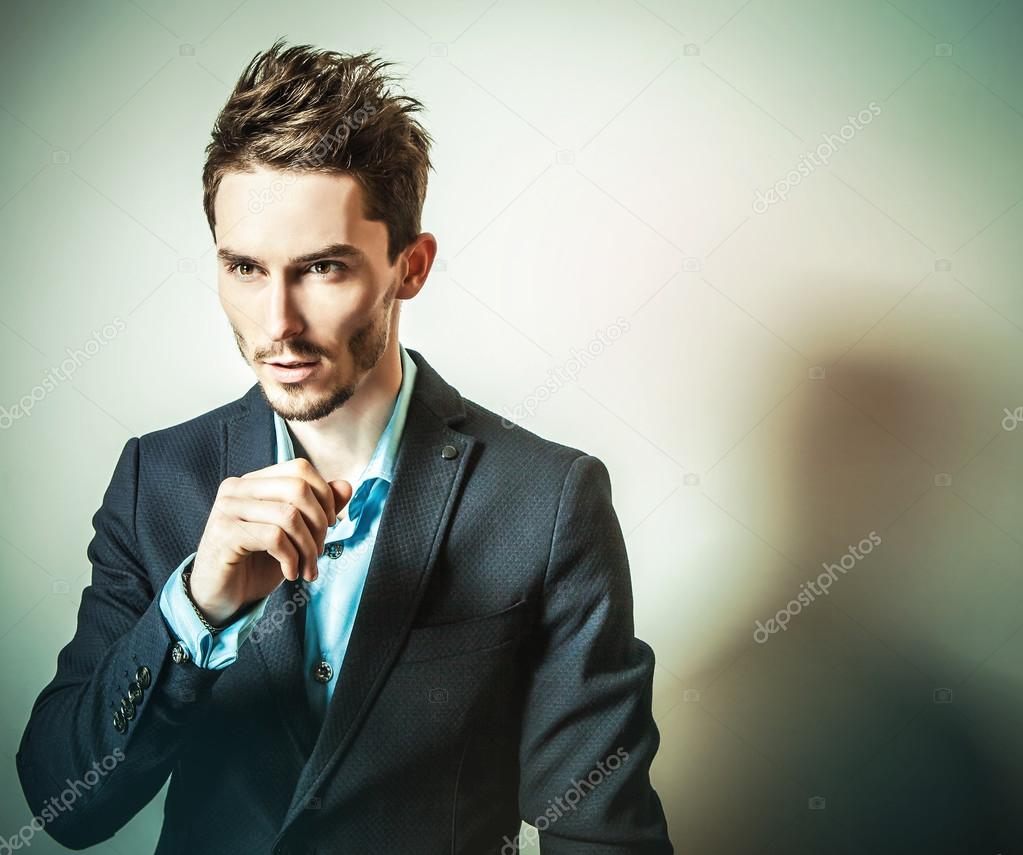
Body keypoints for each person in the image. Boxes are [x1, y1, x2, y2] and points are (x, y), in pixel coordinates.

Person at [16, 38, 673, 855]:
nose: (276, 324)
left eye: (322, 268)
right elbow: (60, 803)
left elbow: (600, 833)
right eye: (245, 268)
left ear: (411, 266)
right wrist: (195, 611)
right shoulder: (158, 480)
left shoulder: (545, 500)